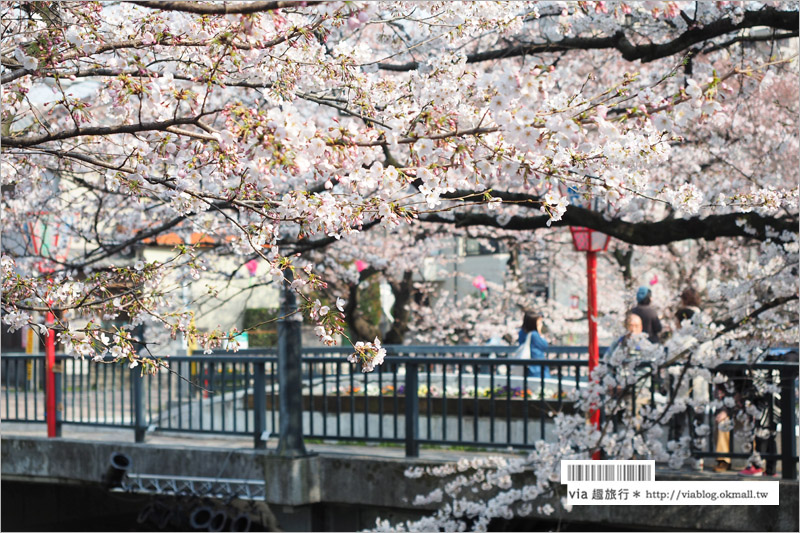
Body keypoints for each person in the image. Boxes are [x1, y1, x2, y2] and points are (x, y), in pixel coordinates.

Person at [517, 312, 550, 379]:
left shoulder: (522, 332)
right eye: (539, 322)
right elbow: (544, 345)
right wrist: (540, 333)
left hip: (527, 365)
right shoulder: (534, 335)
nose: (540, 325)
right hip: (537, 366)